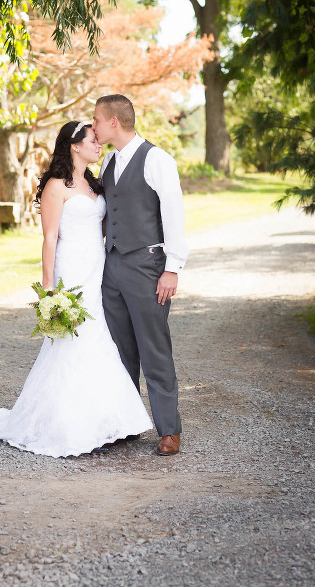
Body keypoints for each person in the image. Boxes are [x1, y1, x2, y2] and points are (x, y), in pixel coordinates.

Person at [0, 121, 152, 457]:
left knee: (99, 337)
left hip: (96, 267)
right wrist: (48, 289)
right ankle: (68, 425)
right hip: (70, 269)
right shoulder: (57, 186)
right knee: (75, 341)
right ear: (74, 145)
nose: (98, 145)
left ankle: (104, 421)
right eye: (92, 141)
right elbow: (49, 237)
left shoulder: (91, 181)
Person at [92, 95, 189, 456]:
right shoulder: (108, 163)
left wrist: (172, 269)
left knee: (154, 348)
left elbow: (174, 214)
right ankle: (128, 423)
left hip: (147, 266)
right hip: (112, 266)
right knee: (121, 351)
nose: (95, 127)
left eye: (97, 120)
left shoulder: (157, 159)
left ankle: (169, 430)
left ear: (114, 122)